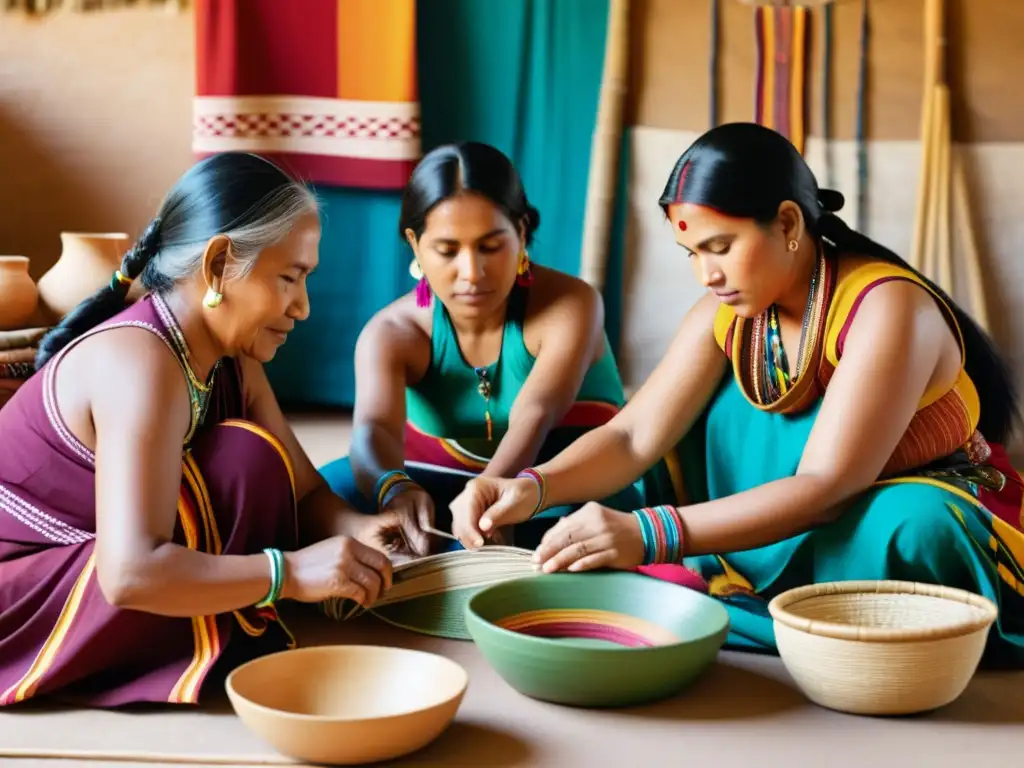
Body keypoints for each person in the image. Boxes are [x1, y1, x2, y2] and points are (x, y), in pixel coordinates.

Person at [449, 122, 1024, 664]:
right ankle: (718, 570)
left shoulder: (888, 308)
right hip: (768, 501)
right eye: (692, 253)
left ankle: (725, 585)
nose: (706, 275)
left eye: (720, 247)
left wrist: (651, 534)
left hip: (862, 510)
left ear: (789, 224)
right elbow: (630, 436)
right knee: (636, 470)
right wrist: (528, 487)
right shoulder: (726, 314)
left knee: (918, 527)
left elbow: (826, 487)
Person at [0, 152, 406, 708]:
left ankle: (217, 607)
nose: (304, 307)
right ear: (218, 266)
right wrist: (286, 575)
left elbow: (303, 487)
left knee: (250, 459)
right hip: (22, 584)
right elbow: (129, 573)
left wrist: (359, 528)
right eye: (291, 277)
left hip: (107, 564)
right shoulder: (140, 362)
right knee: (239, 481)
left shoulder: (231, 358)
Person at [319, 142, 680, 553]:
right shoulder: (391, 332)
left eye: (490, 246)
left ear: (522, 232)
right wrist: (394, 490)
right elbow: (375, 429)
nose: (472, 272)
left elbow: (537, 410)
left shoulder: (572, 305)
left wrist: (490, 495)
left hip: (557, 489)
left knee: (580, 534)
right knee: (323, 496)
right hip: (438, 485)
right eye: (448, 250)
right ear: (415, 244)